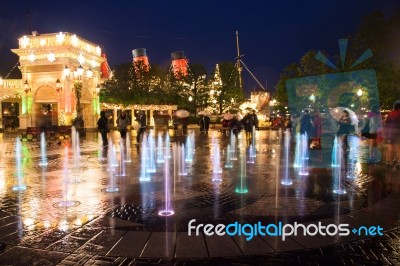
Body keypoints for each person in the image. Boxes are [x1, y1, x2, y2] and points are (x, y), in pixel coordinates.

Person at [385, 101, 400, 167]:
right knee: (398, 149)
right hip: (398, 133)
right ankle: (399, 162)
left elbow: (386, 124)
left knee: (390, 149)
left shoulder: (390, 114)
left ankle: (388, 162)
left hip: (390, 133)